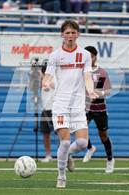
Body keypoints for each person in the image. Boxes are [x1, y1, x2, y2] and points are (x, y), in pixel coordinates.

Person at [42, 20, 98, 188]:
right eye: (67, 33)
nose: (70, 36)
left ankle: (67, 156)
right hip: (60, 105)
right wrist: (45, 83)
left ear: (78, 34)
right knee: (65, 142)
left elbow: (87, 76)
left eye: (73, 33)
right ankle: (61, 176)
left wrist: (91, 90)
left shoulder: (85, 55)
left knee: (81, 143)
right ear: (62, 35)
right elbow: (48, 76)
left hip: (78, 106)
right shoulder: (55, 56)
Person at [82, 46, 115, 173]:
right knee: (80, 131)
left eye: (91, 56)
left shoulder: (101, 72)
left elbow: (107, 90)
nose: (89, 59)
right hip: (85, 107)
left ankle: (110, 160)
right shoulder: (82, 71)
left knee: (103, 135)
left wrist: (98, 93)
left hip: (99, 109)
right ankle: (90, 148)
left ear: (95, 57)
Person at [40, 64, 54, 163]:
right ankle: (48, 155)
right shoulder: (42, 81)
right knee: (45, 133)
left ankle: (64, 154)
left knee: (61, 134)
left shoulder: (52, 80)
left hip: (54, 110)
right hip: (45, 110)